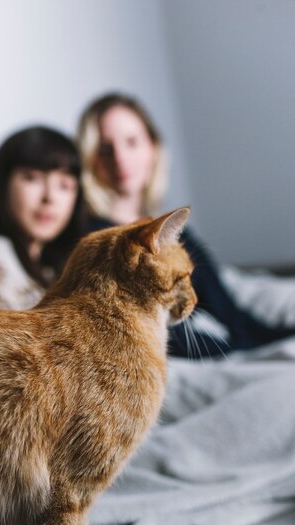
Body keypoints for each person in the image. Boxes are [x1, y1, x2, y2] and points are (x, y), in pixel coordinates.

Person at [77, 92, 295, 358]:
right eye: (105, 148)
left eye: (132, 142)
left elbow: (230, 313)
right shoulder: (95, 242)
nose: (120, 158)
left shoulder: (175, 232)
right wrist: (236, 352)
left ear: (153, 147)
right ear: (90, 159)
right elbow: (162, 334)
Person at [0, 126, 86, 311]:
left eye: (65, 185)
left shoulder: (52, 269)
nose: (49, 197)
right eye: (32, 178)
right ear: (2, 185)